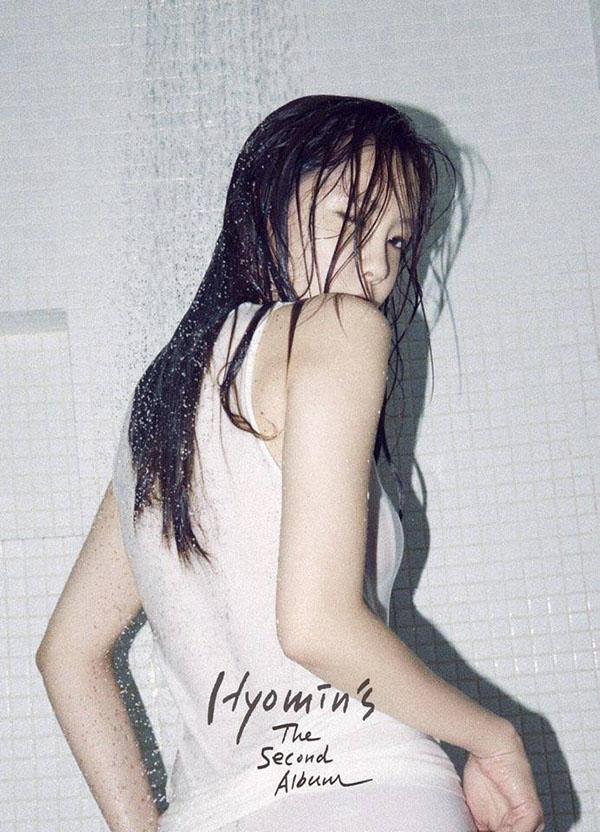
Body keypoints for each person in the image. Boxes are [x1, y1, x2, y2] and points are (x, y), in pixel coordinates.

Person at [35, 95, 545, 832]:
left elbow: (66, 655)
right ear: (269, 203)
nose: (378, 267)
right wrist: (492, 738)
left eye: (398, 241)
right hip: (367, 791)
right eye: (351, 221)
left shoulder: (164, 407)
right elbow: (315, 628)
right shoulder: (340, 328)